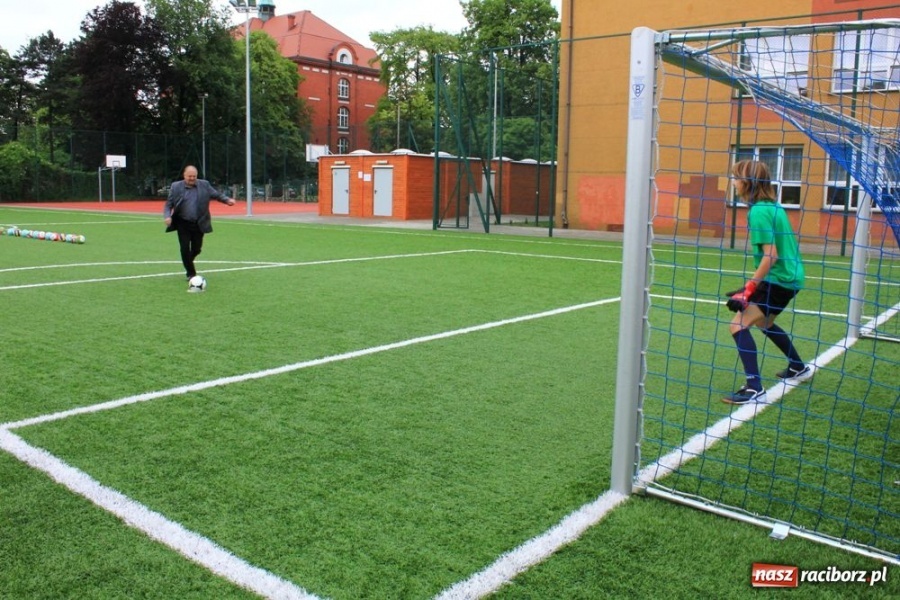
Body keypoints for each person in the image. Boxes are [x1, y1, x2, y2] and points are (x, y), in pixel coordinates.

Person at [722, 159, 813, 405]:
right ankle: (797, 366)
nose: (734, 182)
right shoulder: (773, 207)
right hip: (791, 277)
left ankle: (754, 387)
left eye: (736, 177)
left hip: (780, 279)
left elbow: (771, 255)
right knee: (764, 322)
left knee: (738, 325)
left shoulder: (759, 211)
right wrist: (748, 289)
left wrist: (749, 289)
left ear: (748, 183)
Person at [164, 165, 235, 279]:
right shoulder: (176, 186)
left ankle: (187, 261)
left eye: (194, 176)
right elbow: (169, 204)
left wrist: (227, 200)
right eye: (189, 176)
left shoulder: (204, 185)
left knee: (197, 248)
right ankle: (191, 273)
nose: (192, 178)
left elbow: (216, 195)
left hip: (199, 222)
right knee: (184, 248)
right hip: (183, 222)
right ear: (184, 175)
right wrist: (167, 216)